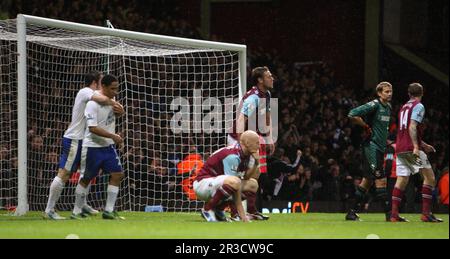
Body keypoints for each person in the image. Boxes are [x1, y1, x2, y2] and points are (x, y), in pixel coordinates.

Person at [44, 71, 123, 220]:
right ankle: (49, 209)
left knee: (86, 174)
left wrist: (119, 110)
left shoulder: (98, 96)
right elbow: (101, 99)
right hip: (76, 138)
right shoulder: (86, 91)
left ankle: (82, 205)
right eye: (101, 82)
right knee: (65, 173)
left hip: (87, 140)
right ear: (95, 82)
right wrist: (114, 102)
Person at [71, 74, 125, 220]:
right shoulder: (92, 104)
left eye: (117, 88)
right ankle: (76, 211)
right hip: (92, 146)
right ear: (104, 87)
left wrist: (121, 113)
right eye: (113, 89)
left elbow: (111, 117)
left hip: (107, 147)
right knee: (87, 178)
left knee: (117, 174)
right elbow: (93, 128)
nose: (116, 92)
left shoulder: (112, 100)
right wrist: (113, 136)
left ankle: (108, 210)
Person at [390, 83, 443, 222]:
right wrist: (416, 146)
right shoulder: (418, 106)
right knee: (430, 178)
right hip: (411, 148)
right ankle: (426, 214)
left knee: (402, 179)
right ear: (422, 93)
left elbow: (405, 129)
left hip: (400, 146)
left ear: (409, 93)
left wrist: (423, 144)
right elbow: (412, 126)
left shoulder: (403, 108)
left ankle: (394, 215)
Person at [227, 66, 274, 220]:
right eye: (268, 76)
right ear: (260, 80)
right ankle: (234, 212)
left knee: (256, 174)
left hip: (253, 138)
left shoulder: (266, 94)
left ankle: (252, 211)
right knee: (239, 176)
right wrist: (241, 144)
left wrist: (269, 138)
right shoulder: (253, 97)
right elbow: (241, 119)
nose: (272, 78)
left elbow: (267, 117)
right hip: (238, 138)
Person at [345, 82, 393, 221]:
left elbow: (382, 128)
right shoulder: (374, 104)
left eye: (390, 91)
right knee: (381, 180)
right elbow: (352, 114)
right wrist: (365, 125)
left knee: (367, 181)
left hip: (380, 147)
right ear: (379, 93)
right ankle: (390, 215)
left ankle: (351, 212)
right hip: (371, 147)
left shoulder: (388, 107)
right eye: (386, 91)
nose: (389, 94)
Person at [194, 130, 261, 222]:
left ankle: (218, 208)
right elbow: (235, 186)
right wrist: (241, 215)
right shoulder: (232, 156)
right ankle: (207, 209)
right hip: (202, 184)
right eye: (257, 142)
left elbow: (246, 178)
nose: (259, 145)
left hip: (217, 184)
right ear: (247, 143)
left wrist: (256, 163)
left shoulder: (247, 154)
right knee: (235, 182)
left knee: (253, 184)